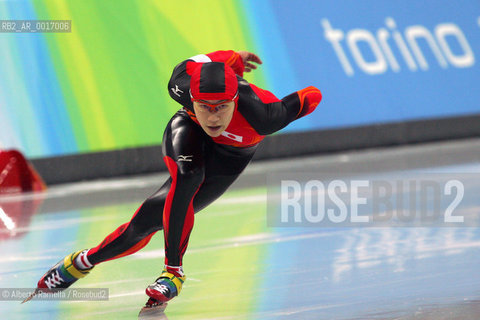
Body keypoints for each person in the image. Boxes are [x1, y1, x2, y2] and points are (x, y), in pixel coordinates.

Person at [31, 50, 322, 306]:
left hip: (231, 157)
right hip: (187, 129)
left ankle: (81, 262)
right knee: (188, 175)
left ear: (235, 100)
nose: (213, 118)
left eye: (222, 107)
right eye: (205, 106)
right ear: (190, 98)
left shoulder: (264, 116)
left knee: (144, 224)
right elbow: (198, 62)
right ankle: (173, 273)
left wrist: (313, 89)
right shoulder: (179, 86)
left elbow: (312, 94)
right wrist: (232, 57)